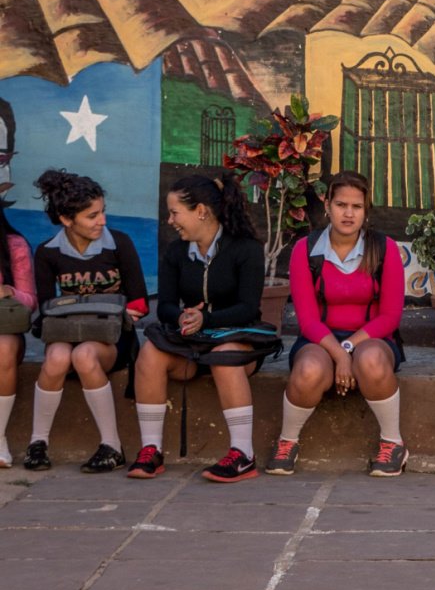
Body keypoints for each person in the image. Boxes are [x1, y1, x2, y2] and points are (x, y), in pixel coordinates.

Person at [131, 174, 279, 482]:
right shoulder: (176, 252)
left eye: (175, 212)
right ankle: (151, 450)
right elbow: (167, 304)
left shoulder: (246, 249)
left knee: (223, 356)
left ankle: (243, 455)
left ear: (200, 211)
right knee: (150, 352)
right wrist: (183, 317)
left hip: (236, 341)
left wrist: (207, 319)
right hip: (193, 342)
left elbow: (248, 308)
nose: (170, 220)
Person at [268, 172, 408, 478]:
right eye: (341, 204)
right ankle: (287, 441)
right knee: (308, 370)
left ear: (365, 211)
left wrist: (349, 348)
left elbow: (390, 317)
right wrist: (340, 355)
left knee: (370, 360)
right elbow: (307, 320)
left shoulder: (384, 250)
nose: (348, 213)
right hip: (319, 339)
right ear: (327, 205)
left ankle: (393, 443)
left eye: (356, 207)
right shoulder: (306, 249)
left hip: (373, 339)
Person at [25, 170, 148, 473]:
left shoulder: (118, 243)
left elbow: (139, 301)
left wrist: (122, 315)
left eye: (102, 212)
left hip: (111, 338)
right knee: (56, 356)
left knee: (84, 354)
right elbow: (44, 307)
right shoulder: (48, 252)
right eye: (92, 216)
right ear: (67, 219)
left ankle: (112, 446)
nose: (102, 221)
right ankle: (37, 443)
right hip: (69, 332)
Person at [0, 142, 35, 468]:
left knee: (4, 347)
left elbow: (30, 301)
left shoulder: (14, 245)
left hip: (4, 330)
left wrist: (8, 290)